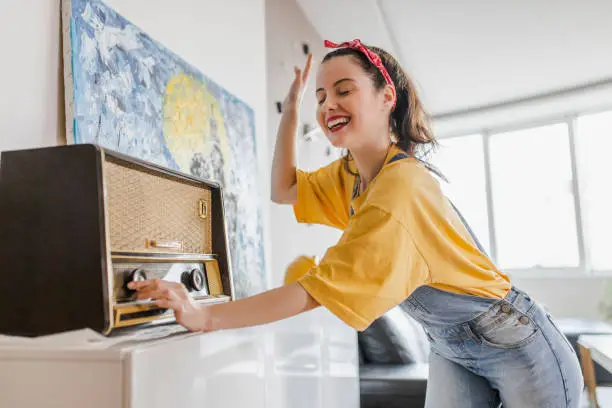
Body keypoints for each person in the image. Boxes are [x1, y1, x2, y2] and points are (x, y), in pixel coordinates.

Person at [129, 39, 584, 407]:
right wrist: (291, 110)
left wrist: (205, 316)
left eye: (344, 90)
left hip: (517, 343)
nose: (328, 105)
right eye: (322, 96)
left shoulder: (398, 191)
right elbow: (284, 189)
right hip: (450, 345)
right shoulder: (352, 175)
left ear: (387, 98)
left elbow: (312, 291)